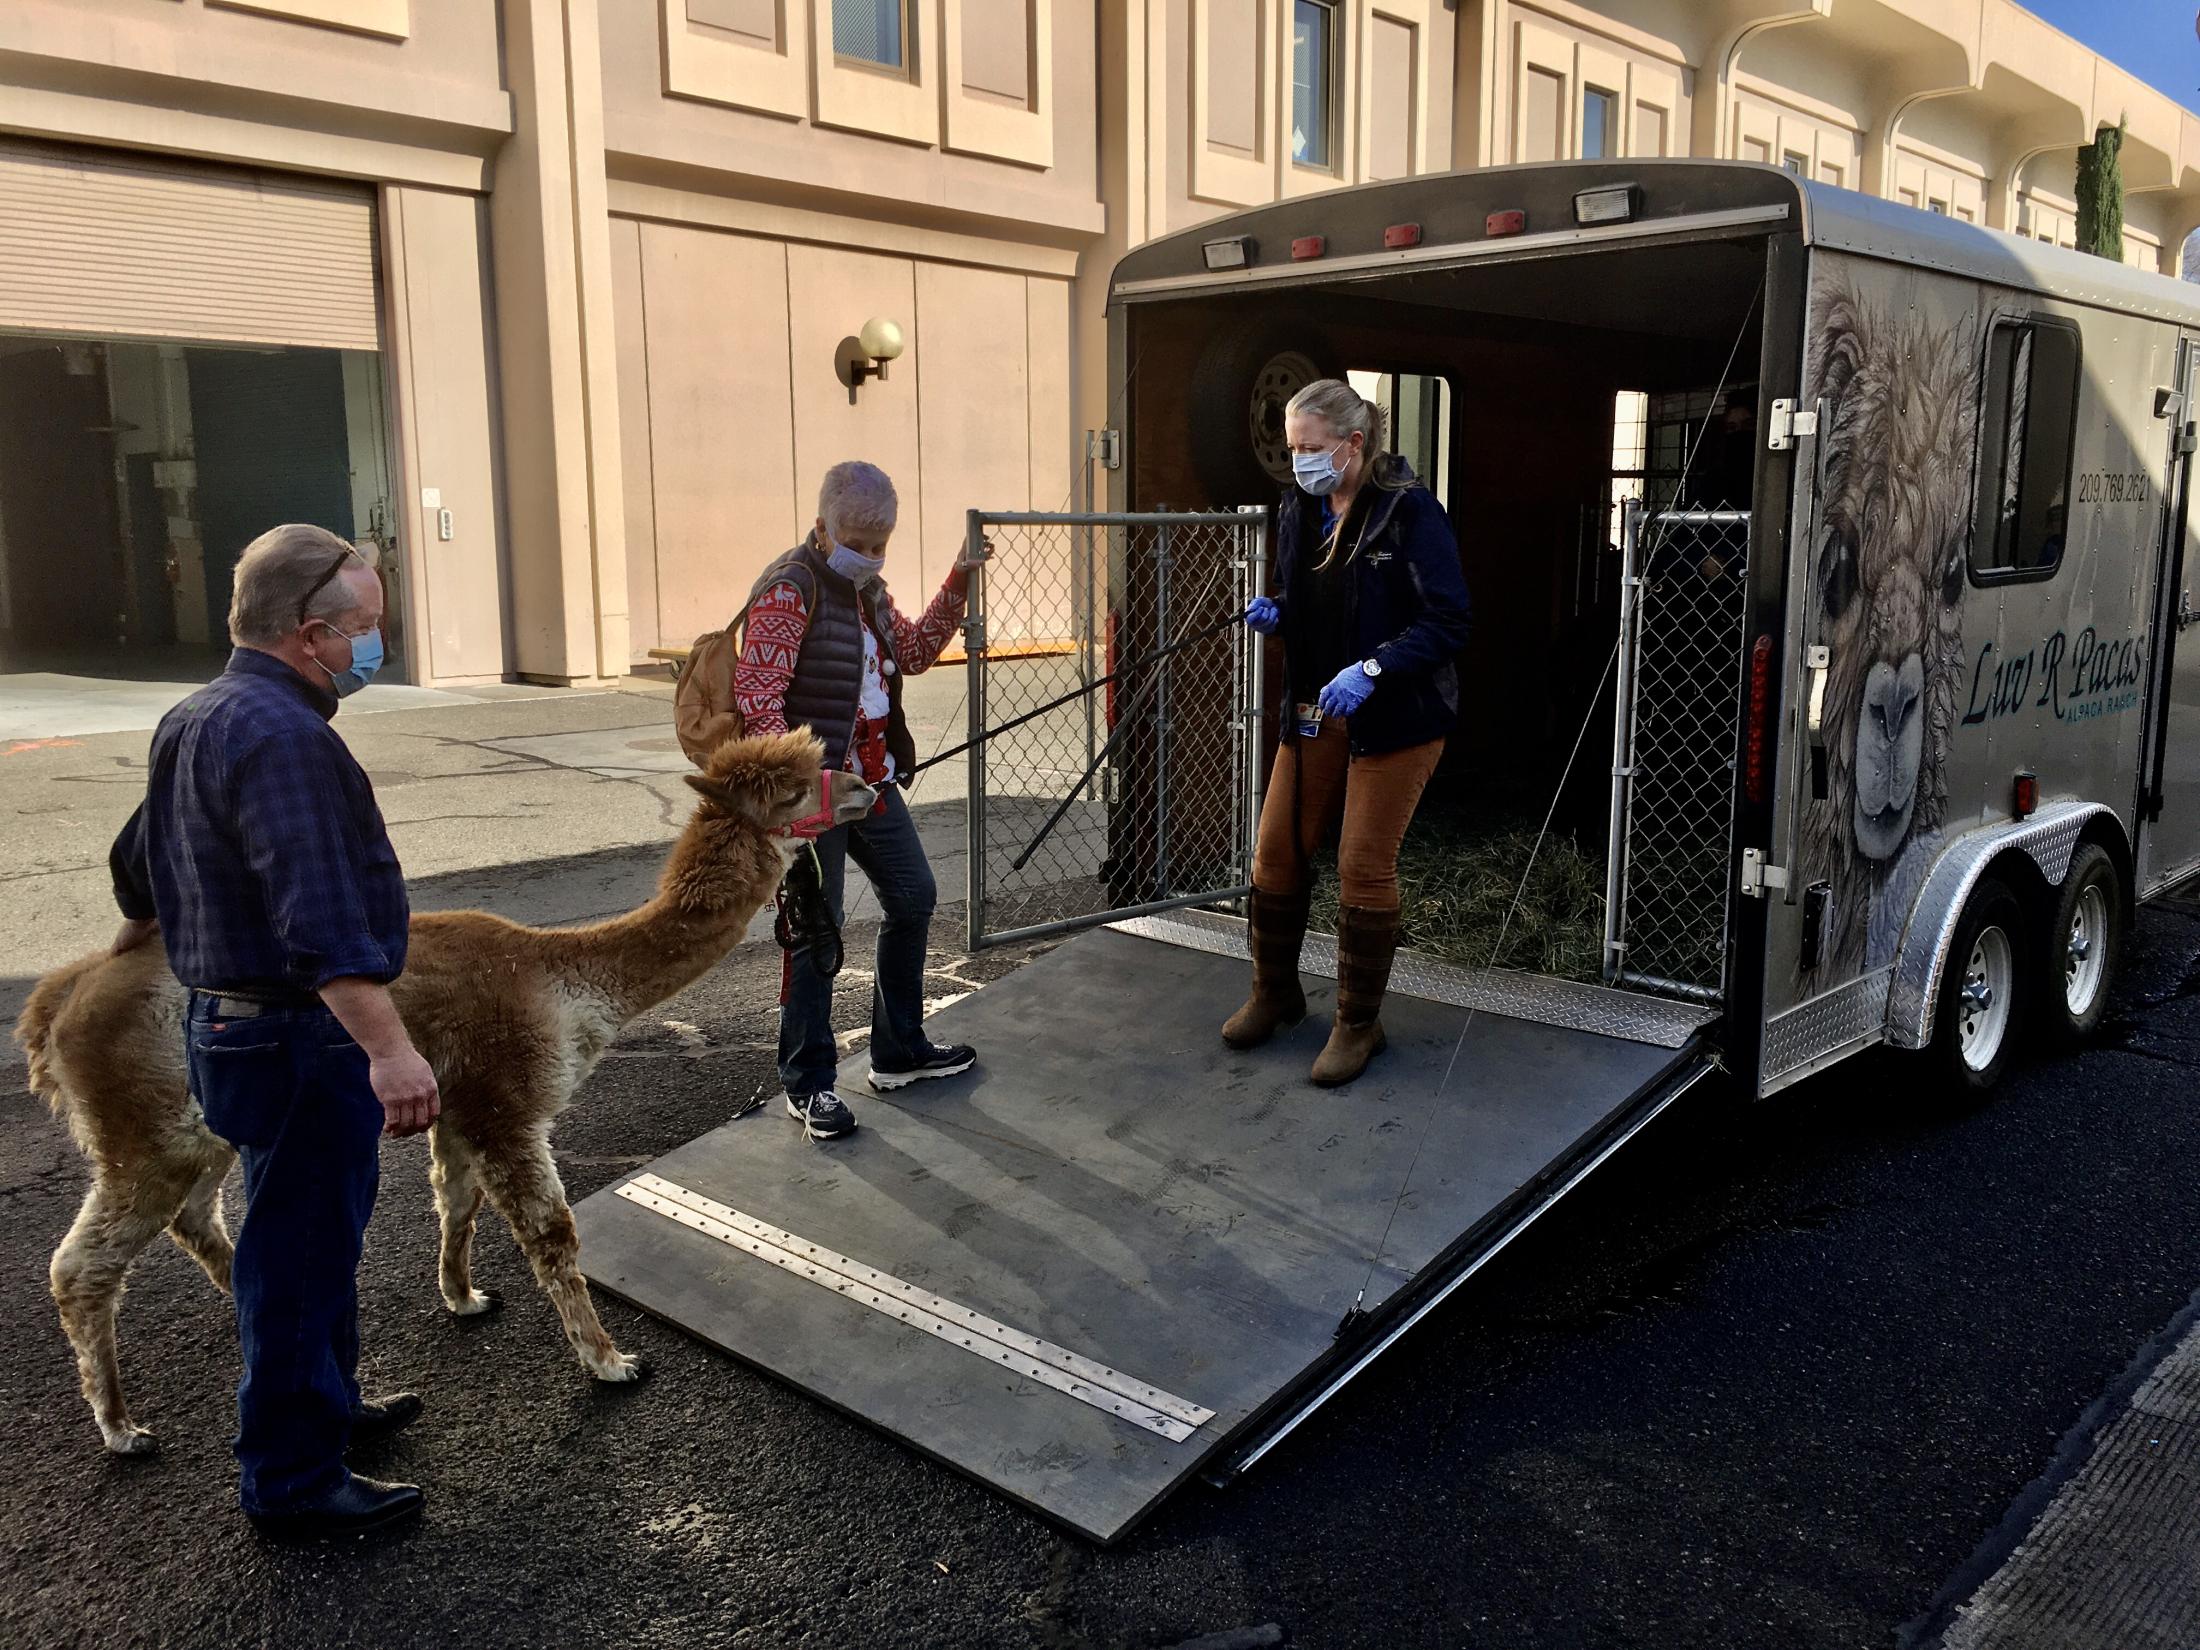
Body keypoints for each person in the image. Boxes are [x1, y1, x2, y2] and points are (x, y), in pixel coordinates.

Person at [107, 523, 439, 1539]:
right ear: (310, 634)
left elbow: (137, 866)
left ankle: (326, 1410)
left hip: (234, 1030)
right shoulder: (288, 739)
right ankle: (293, 1478)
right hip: (296, 1038)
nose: (372, 648)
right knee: (296, 1255)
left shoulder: (197, 715)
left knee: (310, 1237)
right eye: (365, 630)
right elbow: (320, 924)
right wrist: (390, 1049)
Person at [733, 461, 987, 1139]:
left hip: (869, 786)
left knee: (913, 895)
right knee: (817, 930)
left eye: (880, 546)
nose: (871, 557)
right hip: (813, 794)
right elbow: (758, 697)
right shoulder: (790, 590)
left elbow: (914, 650)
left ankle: (898, 1051)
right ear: (821, 527)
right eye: (859, 543)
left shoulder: (868, 590)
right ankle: (808, 1082)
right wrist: (797, 792)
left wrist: (957, 582)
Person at [1228, 379, 1473, 1085]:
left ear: (1354, 443)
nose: (1298, 461)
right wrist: (1277, 609)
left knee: (1362, 865)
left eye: (1309, 448)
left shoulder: (1410, 513)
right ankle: (1273, 995)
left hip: (1397, 716)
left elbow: (1449, 622)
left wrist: (1373, 667)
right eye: (1291, 447)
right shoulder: (1302, 507)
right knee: (1275, 854)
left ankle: (1357, 1025)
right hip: (1314, 710)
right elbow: (1309, 596)